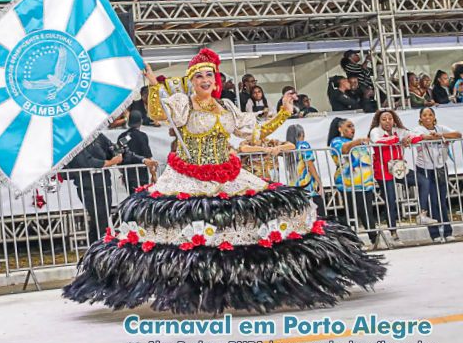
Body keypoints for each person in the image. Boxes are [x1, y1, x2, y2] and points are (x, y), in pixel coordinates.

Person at [64, 48, 385, 314]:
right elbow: (160, 114)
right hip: (187, 176)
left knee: (251, 225)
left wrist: (284, 113)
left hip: (228, 172)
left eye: (209, 75)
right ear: (192, 81)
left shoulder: (227, 107)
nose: (205, 80)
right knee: (184, 232)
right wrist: (151, 85)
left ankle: (249, 286)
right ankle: (191, 290)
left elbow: (255, 132)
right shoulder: (183, 104)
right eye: (199, 76)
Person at [368, 109, 419, 247]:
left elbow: (413, 136)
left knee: (422, 181)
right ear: (379, 121)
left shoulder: (399, 130)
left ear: (394, 119)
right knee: (391, 201)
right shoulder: (375, 131)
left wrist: (415, 138)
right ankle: (393, 233)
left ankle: (423, 213)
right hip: (384, 172)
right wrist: (398, 140)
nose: (387, 121)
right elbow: (378, 141)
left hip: (399, 169)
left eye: (390, 118)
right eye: (384, 119)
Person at [328, 117, 380, 248]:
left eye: (353, 126)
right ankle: (352, 242)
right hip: (349, 185)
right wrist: (357, 141)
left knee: (367, 211)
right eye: (349, 126)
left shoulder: (357, 143)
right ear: (340, 129)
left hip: (365, 184)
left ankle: (374, 239)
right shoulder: (336, 141)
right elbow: (344, 150)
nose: (353, 129)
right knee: (352, 213)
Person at [64, 133, 123, 244]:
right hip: (88, 186)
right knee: (98, 218)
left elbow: (112, 148)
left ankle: (97, 247)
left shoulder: (98, 136)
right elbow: (86, 163)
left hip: (104, 183)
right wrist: (111, 162)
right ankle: (100, 247)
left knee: (102, 218)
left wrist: (117, 152)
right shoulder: (75, 141)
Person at [413, 107, 460, 241]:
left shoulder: (441, 128)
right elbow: (416, 138)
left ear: (434, 116)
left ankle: (447, 231)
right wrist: (428, 137)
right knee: (431, 201)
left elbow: (458, 134)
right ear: (420, 118)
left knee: (441, 200)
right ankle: (434, 233)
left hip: (440, 167)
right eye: (424, 115)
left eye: (430, 114)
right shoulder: (418, 129)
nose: (427, 117)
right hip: (425, 168)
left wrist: (440, 136)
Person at [285, 124, 325, 216]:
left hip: (294, 185)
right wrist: (319, 181)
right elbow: (309, 164)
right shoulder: (303, 145)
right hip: (308, 184)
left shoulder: (288, 148)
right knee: (319, 214)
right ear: (301, 133)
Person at [117, 111, 158, 191]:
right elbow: (148, 157)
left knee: (132, 199)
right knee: (142, 200)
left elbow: (119, 156)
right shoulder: (142, 136)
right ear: (141, 121)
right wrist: (153, 175)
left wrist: (123, 172)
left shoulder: (123, 137)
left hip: (128, 175)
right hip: (141, 174)